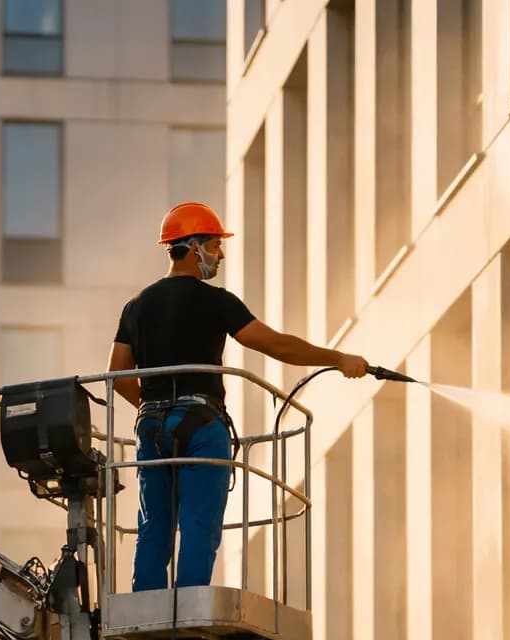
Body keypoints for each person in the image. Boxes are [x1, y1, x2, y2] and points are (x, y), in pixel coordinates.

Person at [107, 201, 370, 592]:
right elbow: (276, 346)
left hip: (152, 427)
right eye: (215, 246)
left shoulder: (137, 305)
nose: (221, 255)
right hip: (201, 425)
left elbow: (117, 374)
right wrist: (337, 357)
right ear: (193, 247)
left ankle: (146, 612)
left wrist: (158, 406)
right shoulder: (215, 301)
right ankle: (190, 610)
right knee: (198, 523)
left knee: (154, 524)